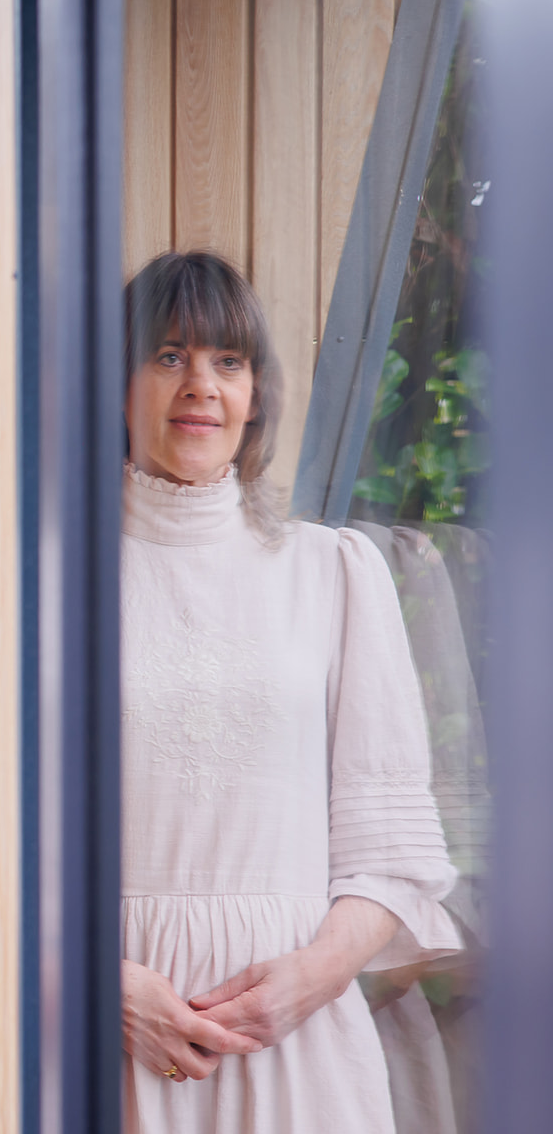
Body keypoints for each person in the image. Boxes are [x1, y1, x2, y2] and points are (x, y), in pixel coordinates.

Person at [117, 251, 461, 1132]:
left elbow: (391, 849)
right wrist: (97, 985)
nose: (201, 385)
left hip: (298, 1042)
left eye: (227, 361)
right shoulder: (46, 578)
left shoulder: (332, 572)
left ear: (257, 393)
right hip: (107, 1034)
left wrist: (313, 977)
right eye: (168, 355)